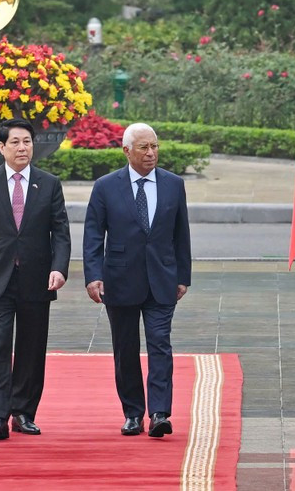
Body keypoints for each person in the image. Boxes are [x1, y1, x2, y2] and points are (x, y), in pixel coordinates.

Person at [0, 119, 71, 440]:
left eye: (27, 142)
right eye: (16, 143)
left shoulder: (49, 184)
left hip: (37, 279)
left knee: (31, 348)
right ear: (2, 148)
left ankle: (23, 412)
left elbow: (60, 232)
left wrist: (59, 268)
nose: (23, 148)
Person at [83, 122, 191, 438]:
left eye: (154, 146)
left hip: (162, 279)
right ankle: (133, 412)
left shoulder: (173, 184)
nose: (151, 153)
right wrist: (93, 275)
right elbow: (93, 234)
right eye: (143, 147)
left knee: (160, 345)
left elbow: (180, 234)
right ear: (126, 150)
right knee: (125, 349)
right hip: (119, 280)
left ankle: (159, 413)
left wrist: (183, 275)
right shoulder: (105, 186)